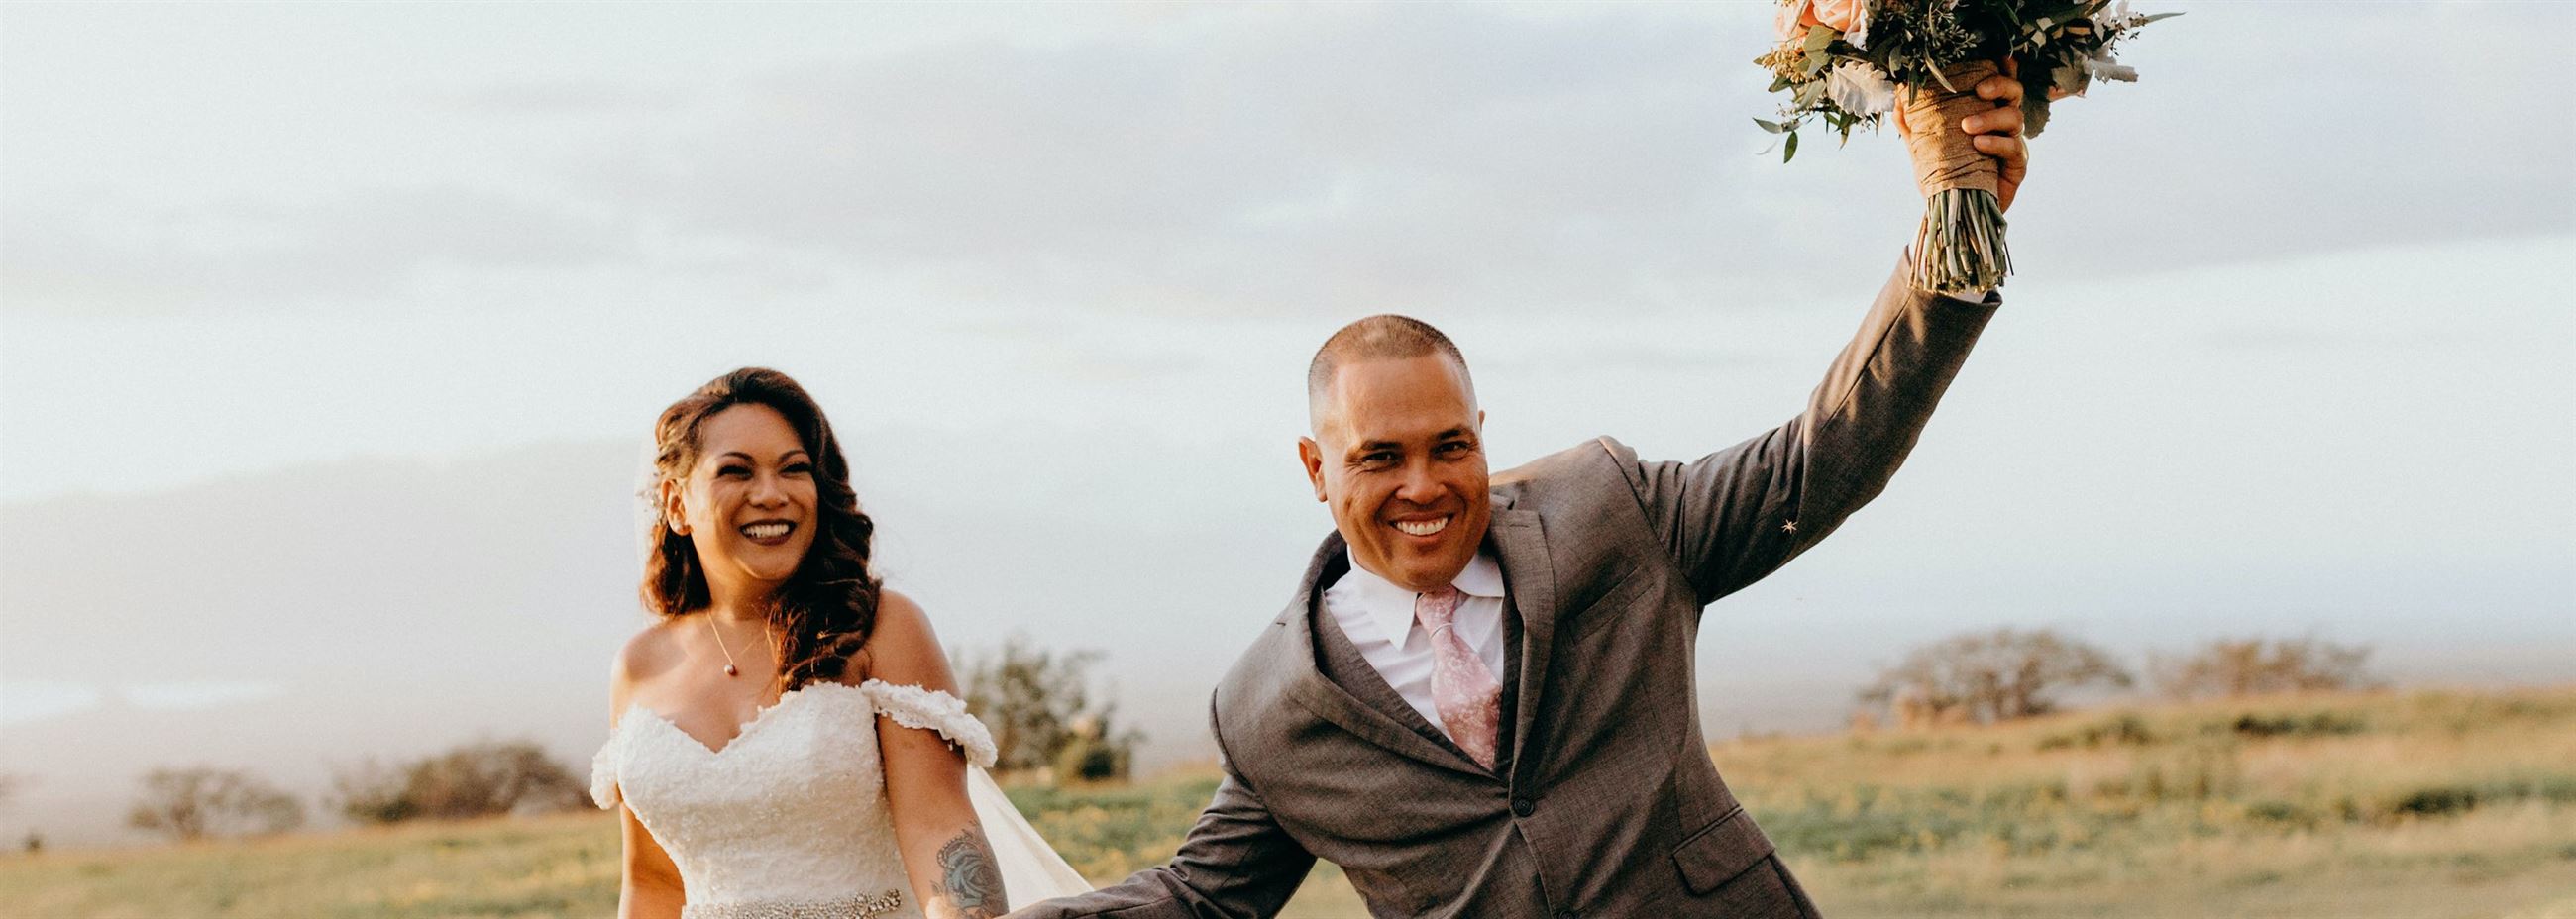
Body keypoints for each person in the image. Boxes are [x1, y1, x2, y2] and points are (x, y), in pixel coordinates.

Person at [1011, 70, 2040, 919]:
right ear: (1315, 468)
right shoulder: (1271, 705)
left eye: (1447, 445)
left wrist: (1954, 233)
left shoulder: (1610, 514)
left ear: (1479, 437)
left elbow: (1819, 459)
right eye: (1378, 458)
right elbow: (1201, 898)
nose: (1423, 486)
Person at [591, 367, 1090, 919]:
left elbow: (941, 829)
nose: (771, 494)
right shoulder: (638, 667)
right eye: (736, 472)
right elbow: (652, 883)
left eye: (794, 470)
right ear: (677, 504)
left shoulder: (882, 628)